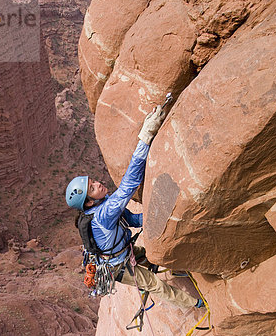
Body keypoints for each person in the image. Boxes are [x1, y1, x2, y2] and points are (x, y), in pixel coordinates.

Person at [65, 106, 204, 309]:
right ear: (88, 202)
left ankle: (173, 267)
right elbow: (130, 183)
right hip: (119, 265)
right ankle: (198, 304)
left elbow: (132, 220)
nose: (98, 184)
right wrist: (145, 137)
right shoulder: (104, 214)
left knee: (154, 254)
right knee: (154, 284)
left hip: (124, 251)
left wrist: (159, 215)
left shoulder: (101, 205)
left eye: (93, 181)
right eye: (92, 188)